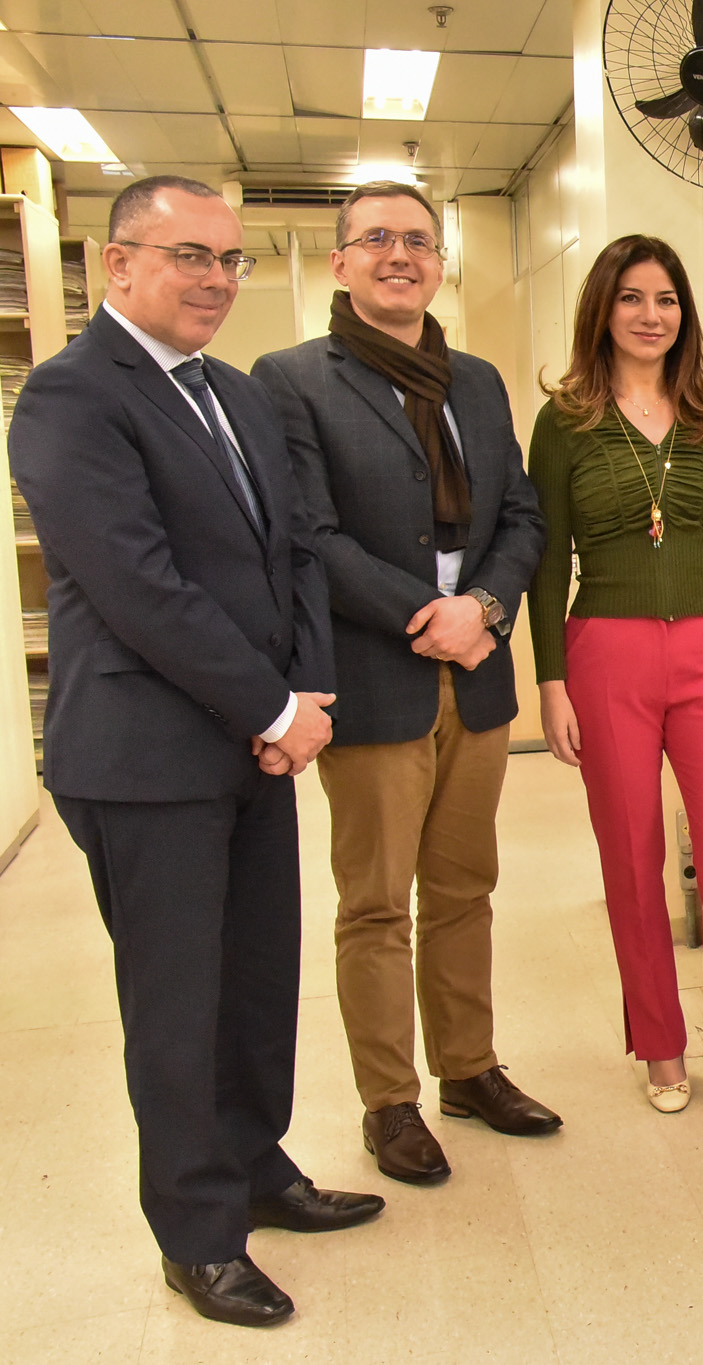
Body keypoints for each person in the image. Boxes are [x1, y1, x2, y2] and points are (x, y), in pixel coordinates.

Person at [9, 175, 382, 1328]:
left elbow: (298, 555)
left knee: (256, 985)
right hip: (145, 759)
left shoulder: (233, 391)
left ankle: (257, 1169)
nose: (217, 279)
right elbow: (139, 588)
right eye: (190, 257)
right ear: (117, 265)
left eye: (231, 260)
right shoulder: (72, 398)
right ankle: (197, 1232)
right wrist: (274, 711)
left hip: (253, 745)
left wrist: (304, 690)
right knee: (176, 1006)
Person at [254, 182, 560, 1185]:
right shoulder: (291, 378)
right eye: (376, 239)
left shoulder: (474, 380)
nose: (400, 254)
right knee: (378, 901)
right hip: (377, 674)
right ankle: (389, 1101)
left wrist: (485, 607)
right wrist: (426, 615)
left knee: (465, 889)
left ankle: (468, 1070)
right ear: (340, 262)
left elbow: (519, 515)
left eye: (418, 241)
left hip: (473, 673)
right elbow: (306, 533)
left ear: (440, 263)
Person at [529, 235, 703, 1117]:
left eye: (665, 299)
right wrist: (550, 681)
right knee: (631, 857)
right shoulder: (564, 421)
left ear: (684, 313)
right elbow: (546, 559)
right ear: (603, 309)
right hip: (607, 652)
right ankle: (661, 1045)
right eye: (630, 298)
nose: (649, 315)